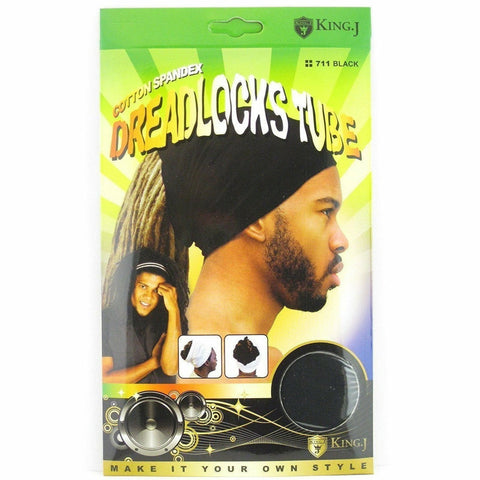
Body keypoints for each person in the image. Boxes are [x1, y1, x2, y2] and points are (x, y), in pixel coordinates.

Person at [159, 110, 348, 368]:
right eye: (325, 211)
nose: (341, 241)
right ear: (256, 220)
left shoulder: (190, 356)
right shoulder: (211, 367)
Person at [102, 248, 189, 383]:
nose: (148, 296)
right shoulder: (106, 320)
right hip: (125, 397)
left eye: (156, 290)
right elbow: (105, 380)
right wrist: (153, 362)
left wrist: (173, 309)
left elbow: (171, 369)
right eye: (143, 286)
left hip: (164, 396)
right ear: (130, 285)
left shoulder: (171, 321)